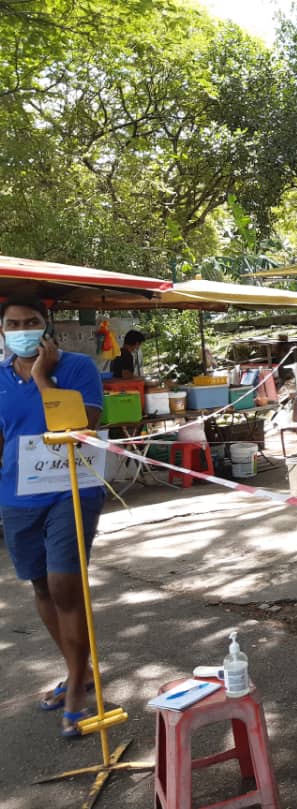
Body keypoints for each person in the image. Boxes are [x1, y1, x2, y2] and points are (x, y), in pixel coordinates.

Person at [0, 295, 106, 738]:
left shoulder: (79, 368)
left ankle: (81, 689)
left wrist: (43, 377)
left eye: (31, 321)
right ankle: (77, 671)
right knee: (41, 584)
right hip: (18, 495)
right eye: (12, 323)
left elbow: (80, 429)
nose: (22, 329)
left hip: (72, 488)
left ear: (46, 326)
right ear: (2, 330)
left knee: (65, 583)